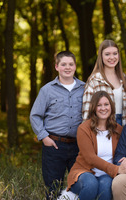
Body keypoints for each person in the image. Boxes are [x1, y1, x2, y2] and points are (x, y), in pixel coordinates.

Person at [30, 51, 85, 199]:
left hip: (78, 146)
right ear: (56, 67)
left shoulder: (84, 88)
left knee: (80, 185)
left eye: (71, 64)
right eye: (63, 64)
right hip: (54, 145)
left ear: (75, 66)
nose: (67, 67)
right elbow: (35, 115)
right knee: (53, 188)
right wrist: (44, 137)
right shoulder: (47, 90)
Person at [66, 91, 126, 200]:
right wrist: (116, 169)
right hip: (84, 172)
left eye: (106, 104)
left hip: (107, 175)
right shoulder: (84, 129)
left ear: (111, 107)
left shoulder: (118, 129)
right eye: (99, 105)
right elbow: (90, 158)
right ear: (94, 108)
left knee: (106, 186)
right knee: (91, 184)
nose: (103, 108)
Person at [82, 39, 126, 126]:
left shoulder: (123, 78)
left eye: (115, 53)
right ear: (101, 56)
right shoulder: (95, 80)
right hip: (103, 126)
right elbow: (87, 111)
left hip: (124, 124)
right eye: (107, 54)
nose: (112, 57)